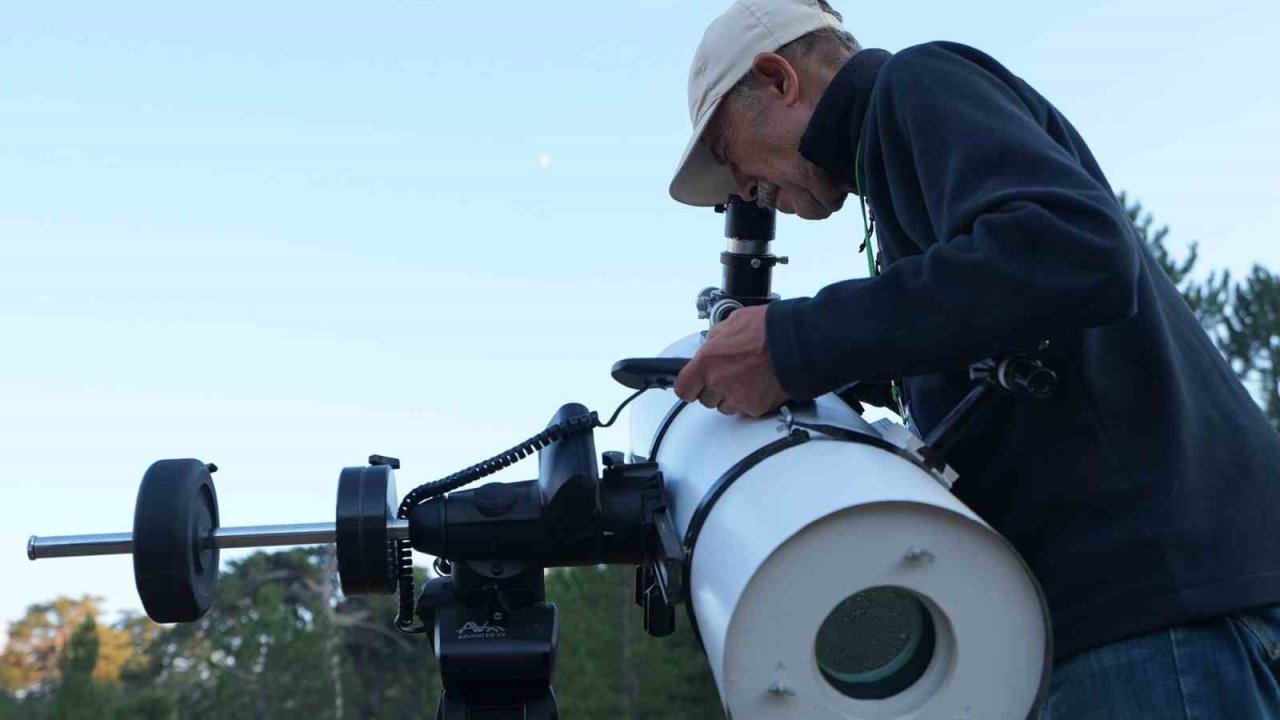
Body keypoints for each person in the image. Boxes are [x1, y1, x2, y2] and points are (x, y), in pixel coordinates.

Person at [667, 1, 1280, 717]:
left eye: (726, 150)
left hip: (1147, 619)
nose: (742, 189)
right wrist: (824, 367)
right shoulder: (897, 172)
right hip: (1141, 620)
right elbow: (989, 314)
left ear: (777, 80)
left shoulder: (916, 83)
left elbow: (1072, 249)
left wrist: (796, 342)